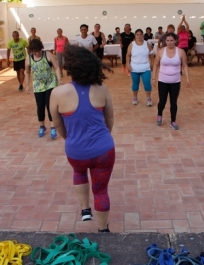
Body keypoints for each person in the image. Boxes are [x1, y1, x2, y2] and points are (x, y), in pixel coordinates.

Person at [49, 45, 115, 233]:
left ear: (70, 67)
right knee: (101, 190)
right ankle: (103, 230)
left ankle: (85, 210)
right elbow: (109, 118)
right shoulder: (101, 88)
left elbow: (58, 124)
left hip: (75, 151)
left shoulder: (57, 93)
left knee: (79, 172)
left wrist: (70, 140)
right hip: (104, 150)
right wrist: (104, 138)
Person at [152, 33, 190, 130]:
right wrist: (154, 78)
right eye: (167, 41)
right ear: (165, 41)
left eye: (171, 40)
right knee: (162, 101)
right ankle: (159, 114)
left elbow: (185, 65)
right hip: (163, 80)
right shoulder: (161, 51)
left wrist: (188, 78)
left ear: (175, 41)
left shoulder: (181, 52)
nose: (169, 42)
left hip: (175, 81)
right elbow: (155, 65)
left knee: (174, 102)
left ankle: (173, 121)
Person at [25, 38, 62, 138]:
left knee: (49, 105)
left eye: (38, 51)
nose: (37, 53)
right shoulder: (29, 58)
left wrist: (59, 79)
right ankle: (42, 126)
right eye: (34, 52)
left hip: (50, 83)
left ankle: (53, 127)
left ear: (41, 48)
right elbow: (27, 72)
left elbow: (56, 67)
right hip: (38, 85)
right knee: (40, 106)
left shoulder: (47, 54)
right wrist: (27, 85)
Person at [126, 29, 154, 106]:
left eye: (140, 34)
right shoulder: (131, 45)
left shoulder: (147, 44)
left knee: (147, 83)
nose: (139, 36)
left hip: (145, 67)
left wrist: (152, 63)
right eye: (137, 34)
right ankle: (135, 97)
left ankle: (148, 98)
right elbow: (128, 55)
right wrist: (127, 65)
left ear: (143, 35)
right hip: (134, 68)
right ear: (135, 36)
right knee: (135, 83)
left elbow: (151, 54)